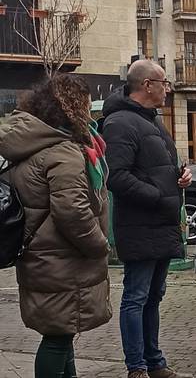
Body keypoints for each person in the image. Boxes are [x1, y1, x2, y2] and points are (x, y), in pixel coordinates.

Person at [0, 74, 112, 378]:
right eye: (87, 104)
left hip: (42, 256)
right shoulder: (62, 151)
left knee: (63, 332)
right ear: (73, 107)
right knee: (58, 339)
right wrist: (99, 244)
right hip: (64, 259)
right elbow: (72, 212)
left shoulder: (32, 146)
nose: (90, 110)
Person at [102, 60, 192, 378]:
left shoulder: (153, 121)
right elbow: (117, 176)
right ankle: (136, 366)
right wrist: (156, 194)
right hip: (140, 224)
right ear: (147, 85)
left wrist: (179, 177)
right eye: (164, 82)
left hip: (162, 223)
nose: (168, 89)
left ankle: (155, 362)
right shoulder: (120, 123)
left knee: (154, 295)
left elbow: (161, 166)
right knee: (136, 296)